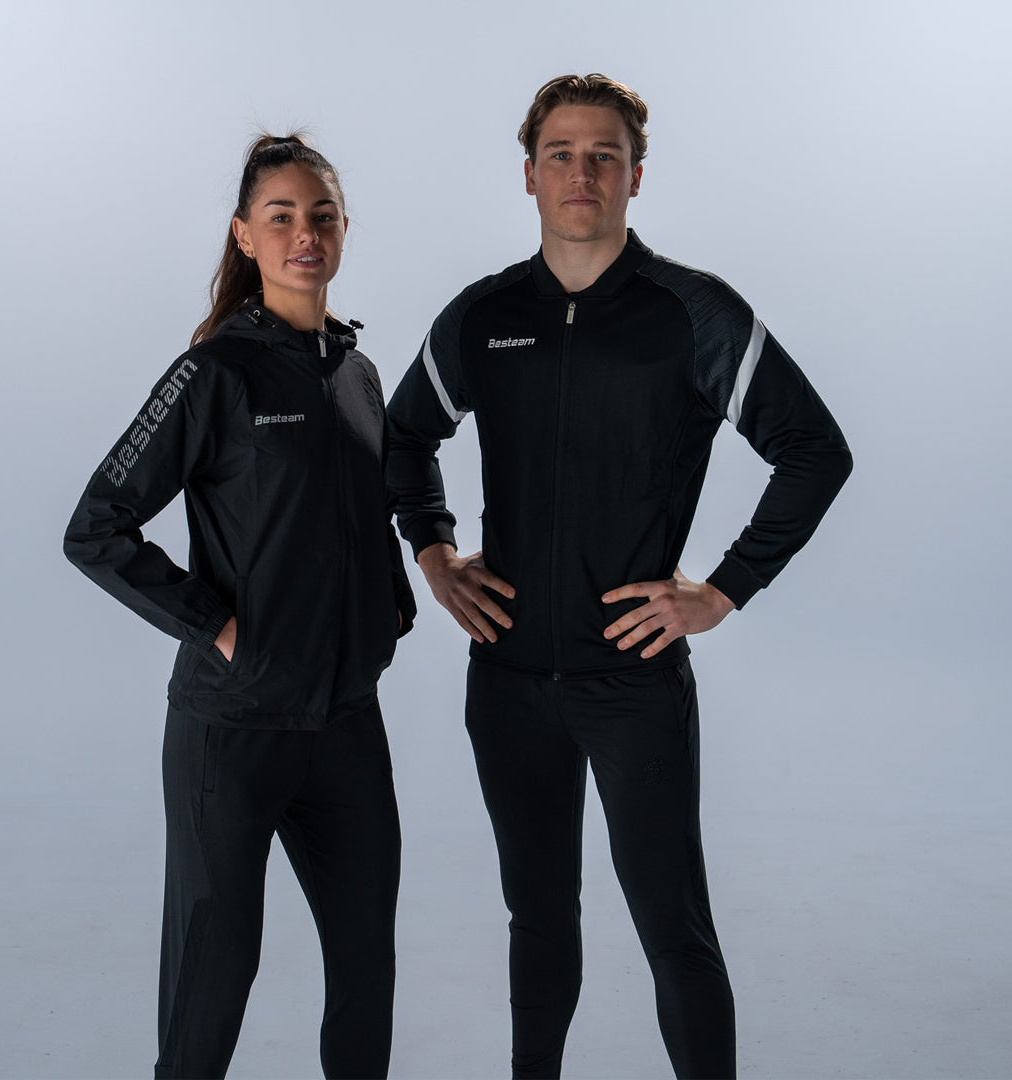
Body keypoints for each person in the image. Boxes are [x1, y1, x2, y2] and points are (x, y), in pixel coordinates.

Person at [385, 74, 852, 1079]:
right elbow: (402, 437)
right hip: (506, 682)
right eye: (561, 153)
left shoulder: (694, 313)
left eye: (604, 154)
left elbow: (814, 450)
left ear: (637, 174)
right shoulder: (484, 316)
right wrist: (433, 552)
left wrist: (722, 590)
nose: (582, 172)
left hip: (632, 683)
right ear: (528, 175)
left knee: (672, 926)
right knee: (540, 918)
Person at [64, 134, 415, 1080]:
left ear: (345, 232)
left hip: (346, 724)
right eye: (282, 217)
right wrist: (217, 624)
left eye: (322, 216)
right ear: (245, 235)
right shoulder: (213, 373)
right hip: (236, 728)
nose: (306, 234)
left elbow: (359, 510)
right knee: (215, 983)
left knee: (366, 973)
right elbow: (97, 526)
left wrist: (390, 603)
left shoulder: (358, 374)